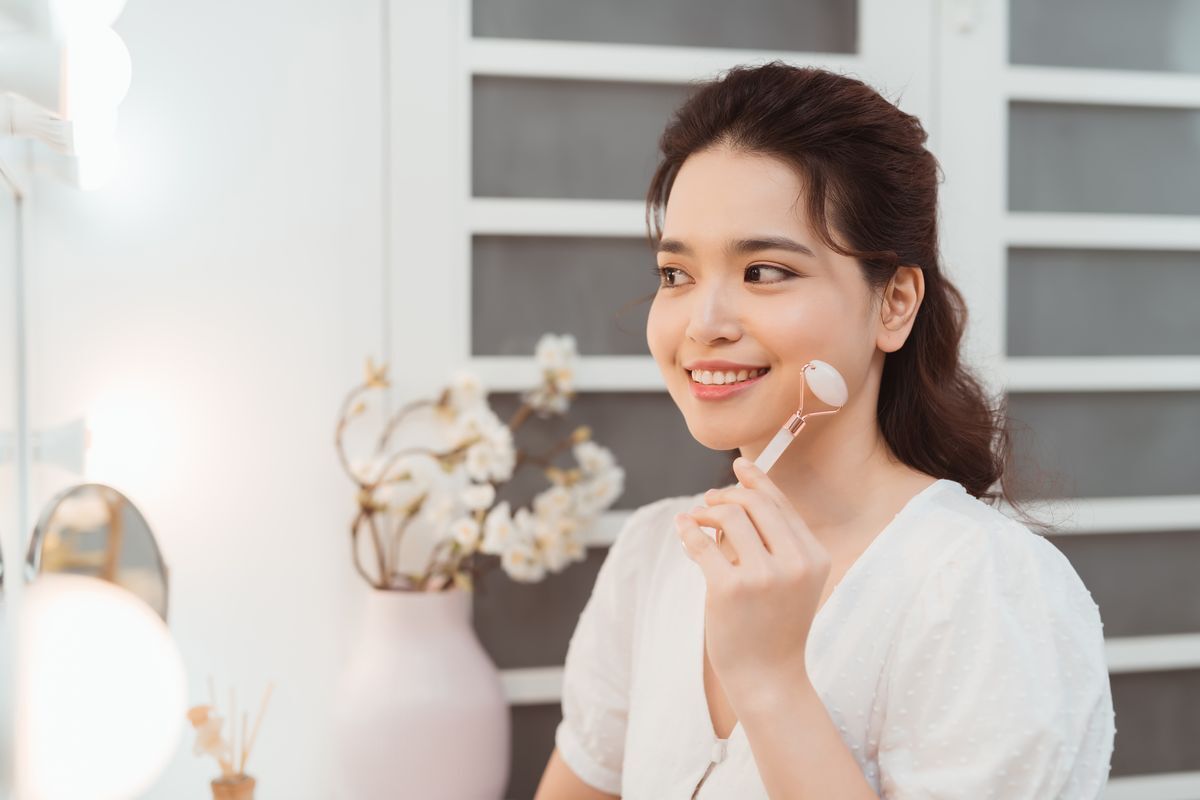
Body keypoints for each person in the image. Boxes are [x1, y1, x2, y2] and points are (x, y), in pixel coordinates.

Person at [533, 62, 1114, 799]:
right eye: (676, 275)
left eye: (765, 271)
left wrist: (772, 681)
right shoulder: (655, 559)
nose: (703, 325)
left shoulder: (984, 591)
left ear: (895, 303)